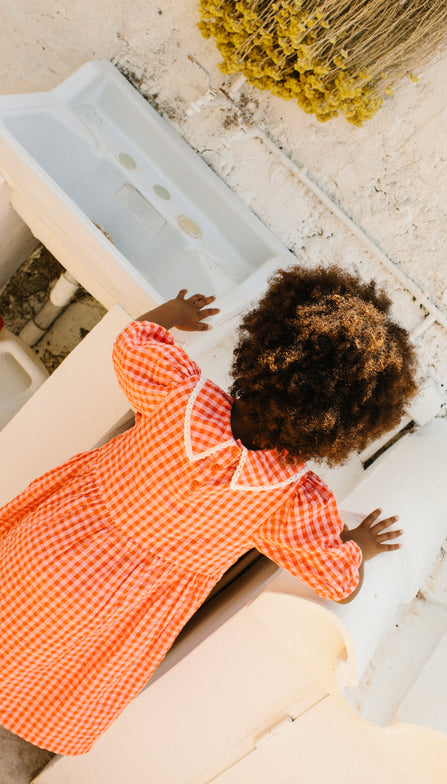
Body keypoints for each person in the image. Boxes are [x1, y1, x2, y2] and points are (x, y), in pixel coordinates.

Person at [0, 265, 416, 755]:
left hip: (51, 542)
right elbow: (339, 582)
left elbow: (133, 342)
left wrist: (173, 313)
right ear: (346, 430)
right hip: (112, 607)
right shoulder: (288, 499)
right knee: (44, 661)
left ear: (262, 346)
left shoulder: (180, 395)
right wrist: (360, 544)